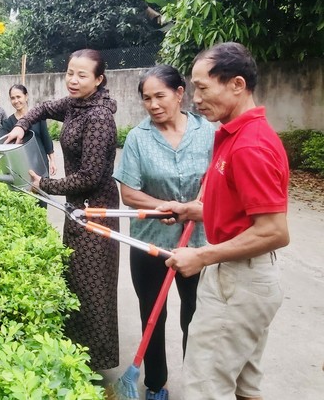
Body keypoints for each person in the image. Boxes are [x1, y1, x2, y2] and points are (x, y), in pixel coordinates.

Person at [165, 42, 290, 400]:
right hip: (242, 277)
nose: (196, 99)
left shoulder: (250, 145)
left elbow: (274, 231)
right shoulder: (231, 134)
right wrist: (191, 209)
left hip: (239, 281)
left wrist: (202, 256)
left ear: (237, 84)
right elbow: (243, 213)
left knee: (206, 388)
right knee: (243, 385)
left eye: (203, 88)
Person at [5, 49, 120, 371]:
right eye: (70, 72)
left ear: (99, 80)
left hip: (97, 208)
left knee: (93, 283)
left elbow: (90, 176)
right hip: (77, 206)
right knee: (76, 279)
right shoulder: (74, 104)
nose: (73, 80)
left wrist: (45, 184)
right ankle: (77, 354)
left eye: (82, 75)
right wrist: (21, 125)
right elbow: (41, 108)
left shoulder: (98, 117)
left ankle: (95, 361)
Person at [113, 65, 215, 400]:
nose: (153, 104)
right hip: (149, 242)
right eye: (146, 98)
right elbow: (129, 192)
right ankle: (156, 384)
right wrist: (164, 206)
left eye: (160, 96)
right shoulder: (139, 138)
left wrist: (195, 208)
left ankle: (197, 383)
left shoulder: (208, 133)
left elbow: (220, 180)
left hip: (198, 244)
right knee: (152, 316)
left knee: (195, 317)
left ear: (180, 93)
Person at [0, 84, 57, 176]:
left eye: (18, 97)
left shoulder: (38, 116)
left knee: (42, 189)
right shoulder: (9, 122)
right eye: (13, 98)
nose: (16, 101)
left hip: (40, 164)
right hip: (22, 167)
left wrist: (52, 161)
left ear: (26, 96)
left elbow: (46, 140)